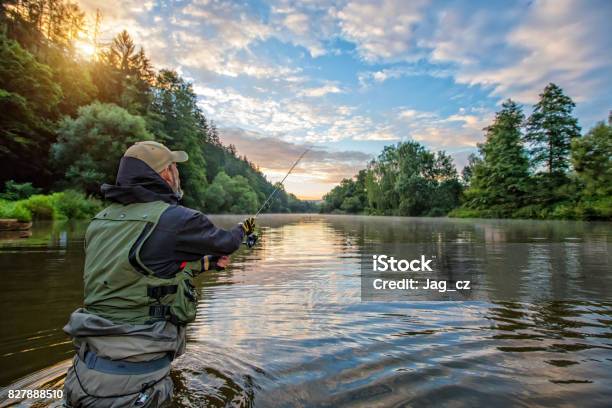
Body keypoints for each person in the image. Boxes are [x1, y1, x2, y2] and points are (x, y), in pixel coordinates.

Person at [62, 141, 255, 407]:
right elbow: (227, 243)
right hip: (132, 390)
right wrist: (242, 229)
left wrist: (206, 264)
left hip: (80, 377)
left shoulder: (100, 221)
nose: (179, 174)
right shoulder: (177, 219)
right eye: (175, 167)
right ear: (165, 174)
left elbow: (139, 272)